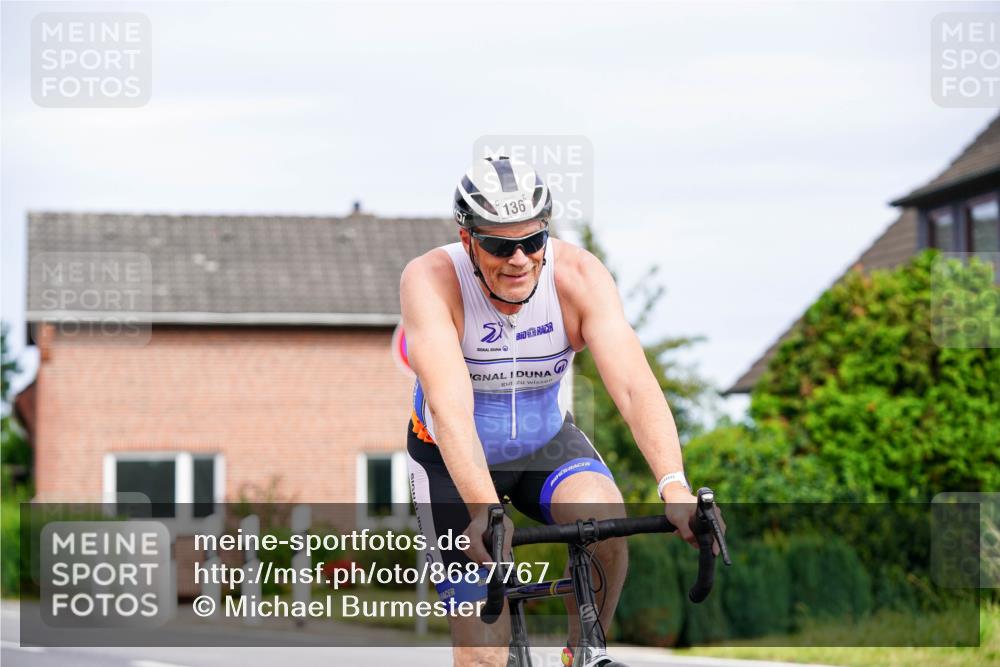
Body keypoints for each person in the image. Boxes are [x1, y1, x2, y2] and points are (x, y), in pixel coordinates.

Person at [401, 156, 702, 667]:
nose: (519, 258)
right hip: (449, 463)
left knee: (604, 520)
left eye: (533, 241)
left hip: (545, 443)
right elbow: (451, 410)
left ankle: (583, 651)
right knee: (483, 652)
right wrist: (483, 509)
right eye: (499, 244)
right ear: (468, 238)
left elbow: (633, 386)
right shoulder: (431, 281)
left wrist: (674, 485)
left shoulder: (579, 277)